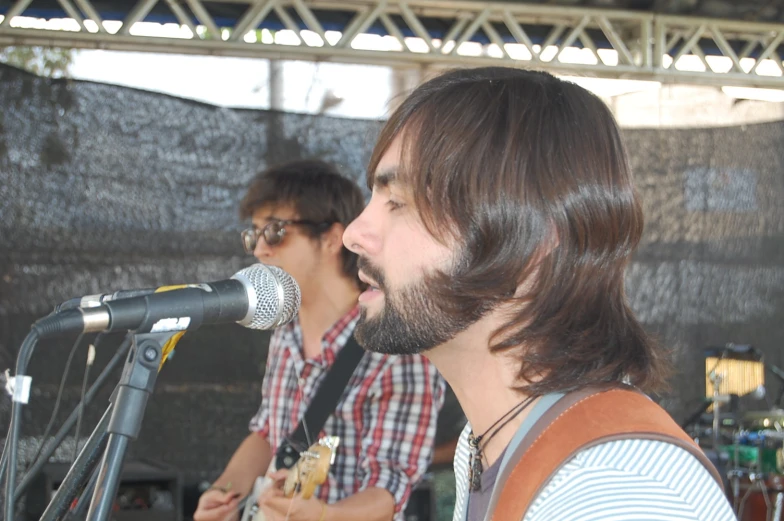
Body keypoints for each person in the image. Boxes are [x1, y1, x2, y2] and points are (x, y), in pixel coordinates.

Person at [341, 67, 737, 521]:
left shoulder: (616, 491)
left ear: (530, 243)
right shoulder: (494, 442)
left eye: (399, 202)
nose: (355, 233)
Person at [194, 159, 445, 521]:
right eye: (254, 234)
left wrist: (324, 515)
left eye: (276, 231)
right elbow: (268, 432)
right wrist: (223, 492)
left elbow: (390, 486)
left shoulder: (396, 346)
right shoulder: (285, 330)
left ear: (330, 238)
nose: (260, 250)